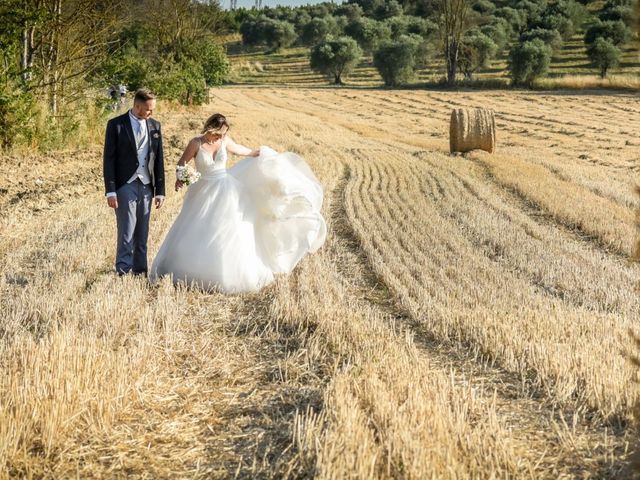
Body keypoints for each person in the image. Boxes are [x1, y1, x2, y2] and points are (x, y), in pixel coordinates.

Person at [149, 113, 326, 294]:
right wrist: (183, 177)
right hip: (202, 191)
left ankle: (223, 273)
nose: (220, 137)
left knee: (227, 230)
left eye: (223, 134)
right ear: (209, 129)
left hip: (226, 190)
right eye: (217, 134)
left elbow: (242, 150)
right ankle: (188, 270)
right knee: (196, 228)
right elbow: (181, 164)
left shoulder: (225, 141)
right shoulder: (196, 143)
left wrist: (260, 153)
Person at [103, 89, 165, 276]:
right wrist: (111, 191)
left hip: (146, 184)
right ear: (137, 106)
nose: (151, 113)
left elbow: (159, 159)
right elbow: (109, 160)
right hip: (125, 184)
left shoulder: (155, 126)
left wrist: (160, 190)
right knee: (126, 231)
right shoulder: (116, 125)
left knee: (142, 232)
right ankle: (123, 271)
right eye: (148, 109)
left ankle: (140, 272)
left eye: (152, 109)